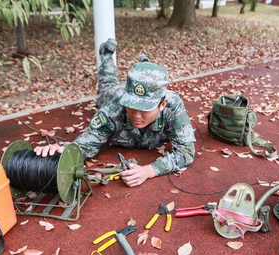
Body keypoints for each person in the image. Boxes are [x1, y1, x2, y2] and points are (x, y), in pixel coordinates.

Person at [35, 38, 196, 187]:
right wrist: (63, 151)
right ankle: (106, 55)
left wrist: (148, 171)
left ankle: (144, 64)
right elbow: (84, 144)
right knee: (108, 83)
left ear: (162, 104)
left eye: (144, 109)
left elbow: (186, 152)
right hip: (115, 92)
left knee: (145, 79)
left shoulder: (173, 107)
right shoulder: (114, 108)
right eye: (131, 106)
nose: (136, 115)